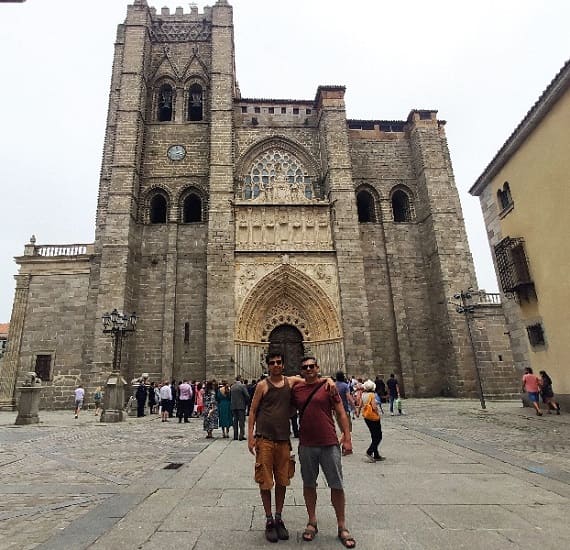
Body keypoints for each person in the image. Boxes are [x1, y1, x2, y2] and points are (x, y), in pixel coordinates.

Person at [291, 356, 355, 548]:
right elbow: (282, 385)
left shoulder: (329, 387)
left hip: (329, 441)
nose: (309, 369)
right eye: (305, 367)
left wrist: (347, 437)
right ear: (301, 370)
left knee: (336, 484)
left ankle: (342, 525)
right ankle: (312, 522)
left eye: (312, 366)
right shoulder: (297, 389)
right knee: (309, 483)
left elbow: (341, 412)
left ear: (317, 368)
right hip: (307, 443)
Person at [247, 353, 302, 542]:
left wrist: (328, 382)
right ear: (268, 366)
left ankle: (279, 517)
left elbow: (312, 381)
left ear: (284, 365)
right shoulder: (262, 385)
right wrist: (250, 436)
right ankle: (269, 520)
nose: (276, 365)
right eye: (272, 363)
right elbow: (252, 410)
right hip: (265, 439)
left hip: (283, 440)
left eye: (279, 362)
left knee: (282, 479)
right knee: (265, 479)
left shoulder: (291, 381)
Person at [360, 379, 384, 462]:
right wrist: (378, 413)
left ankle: (376, 454)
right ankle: (369, 452)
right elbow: (374, 407)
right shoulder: (372, 395)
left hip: (366, 417)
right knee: (378, 436)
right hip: (373, 417)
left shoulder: (363, 394)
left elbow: (360, 405)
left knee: (374, 435)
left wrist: (358, 412)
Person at [230, 375, 250, 440]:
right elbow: (247, 395)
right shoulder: (242, 386)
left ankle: (235, 436)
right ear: (240, 379)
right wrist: (246, 402)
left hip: (234, 406)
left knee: (235, 421)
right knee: (241, 421)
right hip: (241, 406)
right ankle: (241, 435)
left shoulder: (232, 387)